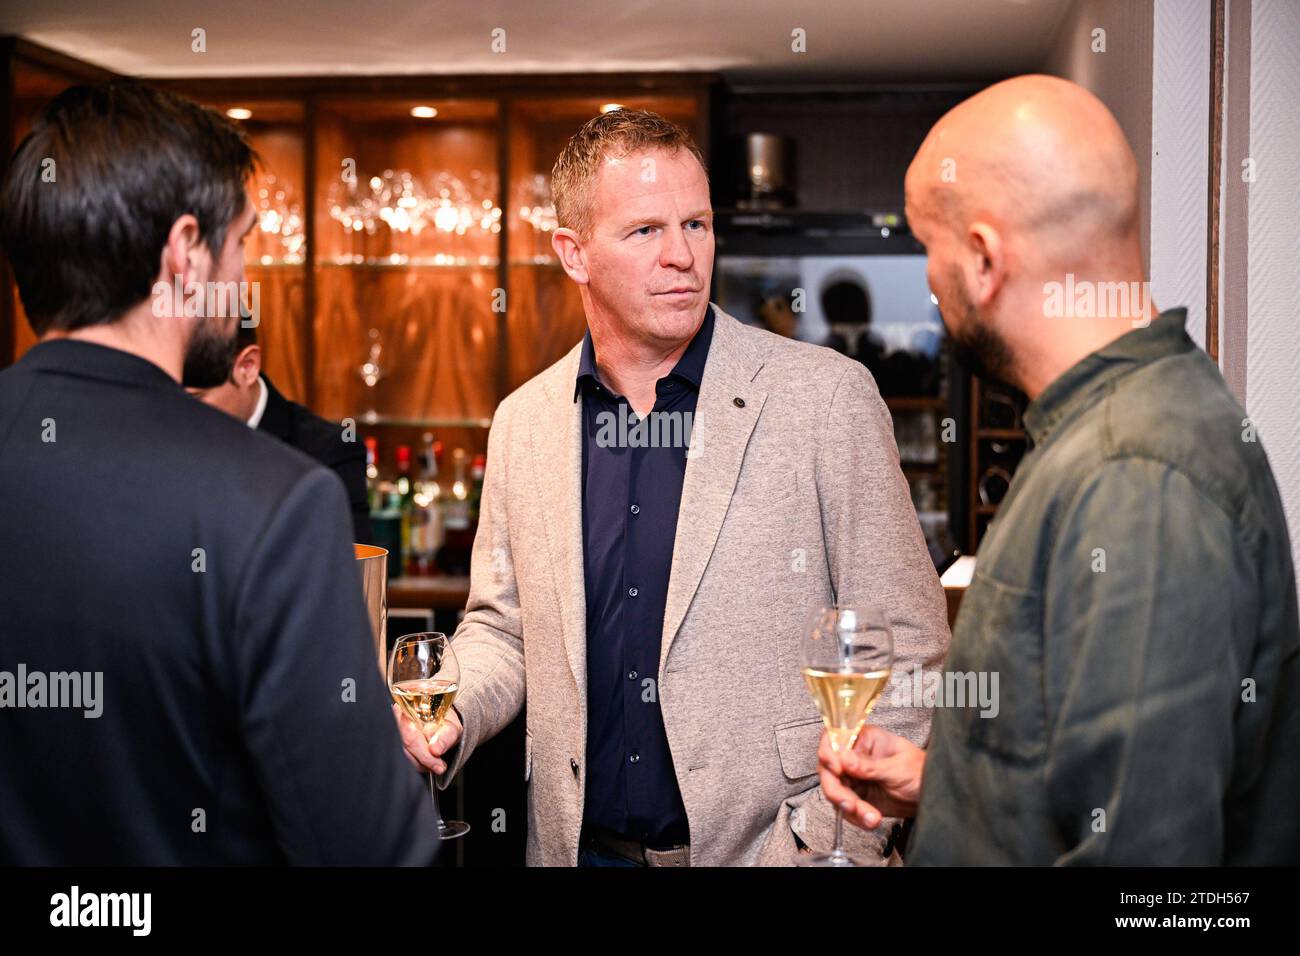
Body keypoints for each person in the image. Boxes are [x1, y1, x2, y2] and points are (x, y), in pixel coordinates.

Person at [396, 108, 949, 866]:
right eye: (646, 231)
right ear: (574, 252)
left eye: (697, 224)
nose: (683, 256)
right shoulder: (524, 422)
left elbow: (911, 649)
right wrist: (450, 710)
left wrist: (828, 842)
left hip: (770, 852)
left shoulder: (826, 400)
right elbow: (503, 628)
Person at [819, 74, 1300, 865]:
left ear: (982, 259)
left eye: (926, 249)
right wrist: (950, 790)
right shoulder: (1114, 431)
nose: (930, 287)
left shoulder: (1134, 472)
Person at [0, 79, 436, 865]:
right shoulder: (273, 502)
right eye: (242, 245)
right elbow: (370, 849)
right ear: (185, 253)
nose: (245, 279)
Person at [188, 321, 372, 544]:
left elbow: (350, 571)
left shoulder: (329, 453)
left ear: (247, 367)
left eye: (195, 398)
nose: (180, 412)